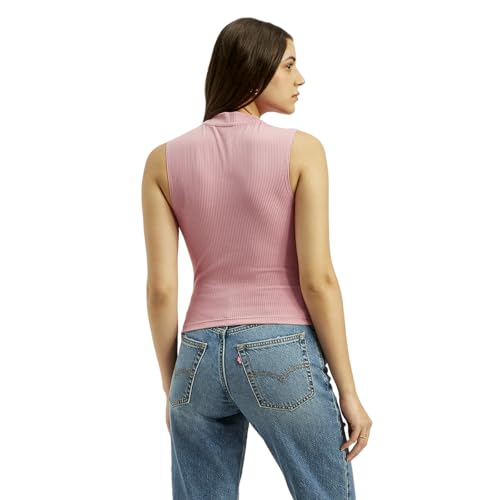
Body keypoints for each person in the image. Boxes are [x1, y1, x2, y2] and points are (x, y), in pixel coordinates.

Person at [142, 16, 372, 500]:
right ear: (254, 70)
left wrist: (172, 387)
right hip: (280, 349)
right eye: (288, 65)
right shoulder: (301, 151)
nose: (300, 78)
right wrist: (349, 392)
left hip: (197, 357)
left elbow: (162, 290)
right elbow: (318, 280)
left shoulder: (162, 161)